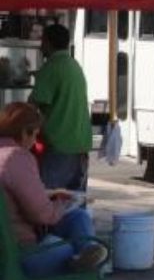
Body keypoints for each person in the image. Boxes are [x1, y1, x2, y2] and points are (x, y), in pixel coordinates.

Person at [0, 102, 107, 277]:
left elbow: (13, 193)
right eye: (35, 135)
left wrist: (50, 194)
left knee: (77, 218)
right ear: (23, 132)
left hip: (9, 246)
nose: (35, 141)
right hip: (21, 255)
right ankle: (85, 258)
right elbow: (43, 214)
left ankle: (86, 253)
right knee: (69, 245)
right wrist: (64, 203)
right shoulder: (16, 158)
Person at [29, 24, 92, 192]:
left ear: (48, 43)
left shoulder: (51, 67)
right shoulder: (74, 65)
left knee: (49, 198)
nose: (41, 46)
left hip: (59, 146)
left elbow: (30, 107)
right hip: (80, 146)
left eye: (42, 41)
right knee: (75, 204)